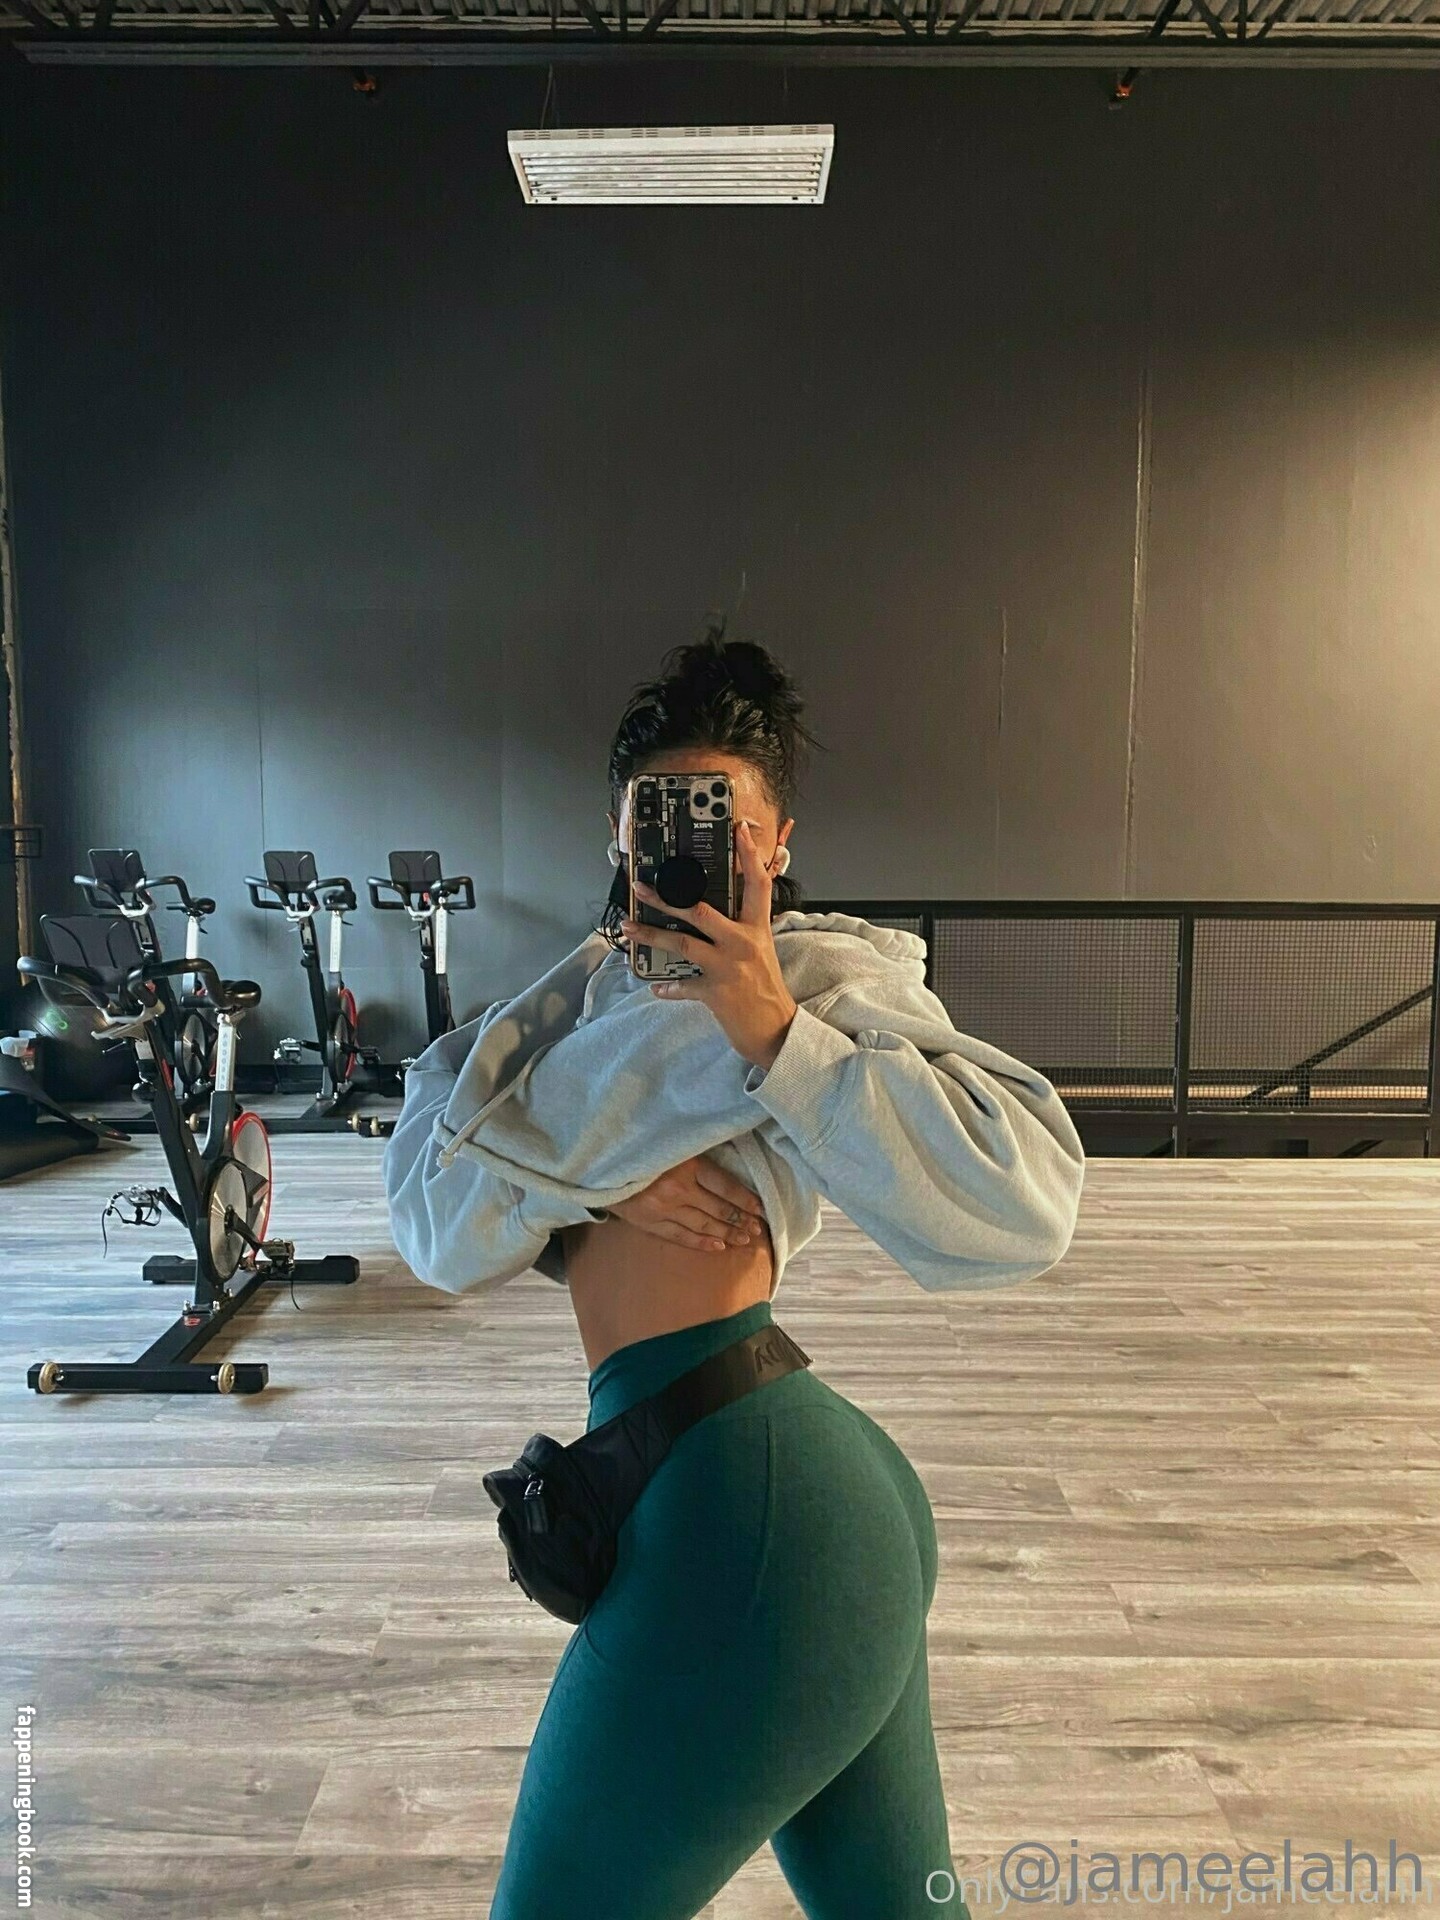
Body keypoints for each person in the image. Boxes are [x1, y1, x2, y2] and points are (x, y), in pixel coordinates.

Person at [384, 623, 1086, 1920]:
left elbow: (1027, 1199)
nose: (688, 851)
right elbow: (434, 1221)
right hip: (771, 1492)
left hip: (752, 1508)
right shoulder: (560, 1012)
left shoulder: (820, 981)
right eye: (658, 821)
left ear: (775, 845)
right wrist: (600, 1179)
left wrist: (776, 1038)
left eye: (727, 825)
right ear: (619, 835)